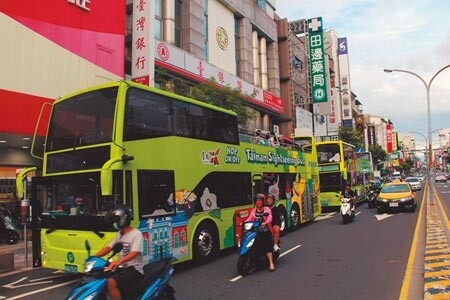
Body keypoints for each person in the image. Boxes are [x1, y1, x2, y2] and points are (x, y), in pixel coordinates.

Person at [96, 206, 144, 300]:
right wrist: (94, 257)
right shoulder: (119, 234)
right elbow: (109, 247)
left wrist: (118, 261)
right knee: (99, 278)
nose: (114, 223)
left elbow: (134, 253)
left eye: (116, 220)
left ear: (123, 219)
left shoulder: (136, 234)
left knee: (111, 282)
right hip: (121, 268)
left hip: (134, 269)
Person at [245, 193, 275, 271]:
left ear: (263, 202)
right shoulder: (253, 211)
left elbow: (270, 217)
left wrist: (266, 222)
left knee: (267, 245)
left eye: (260, 201)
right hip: (256, 232)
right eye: (257, 201)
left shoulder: (267, 210)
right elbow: (249, 219)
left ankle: (271, 263)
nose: (258, 202)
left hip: (265, 231)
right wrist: (244, 223)